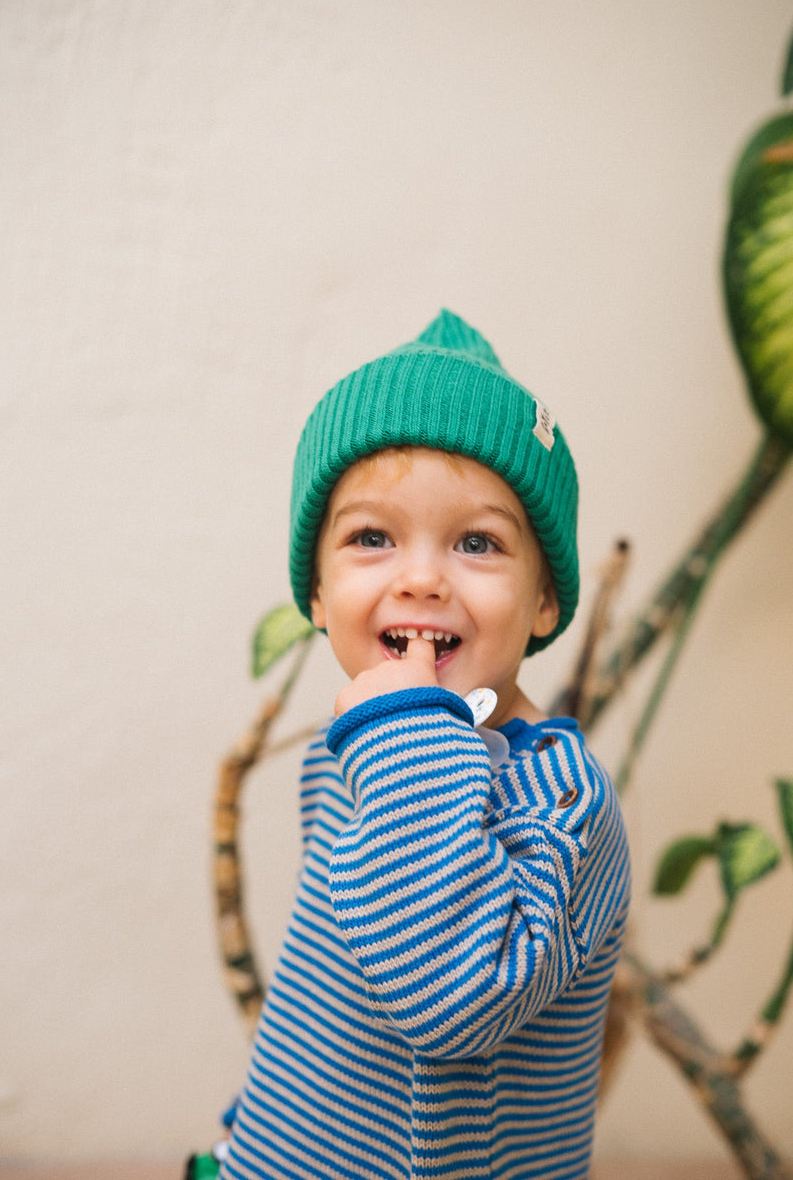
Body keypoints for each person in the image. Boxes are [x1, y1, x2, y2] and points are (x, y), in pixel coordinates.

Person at [218, 310, 631, 1180]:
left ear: (546, 603)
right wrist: (259, 1123)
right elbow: (330, 980)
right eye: (372, 538)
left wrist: (407, 733)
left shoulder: (563, 795)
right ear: (320, 595)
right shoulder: (351, 752)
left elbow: (455, 998)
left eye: (477, 543)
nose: (419, 577)